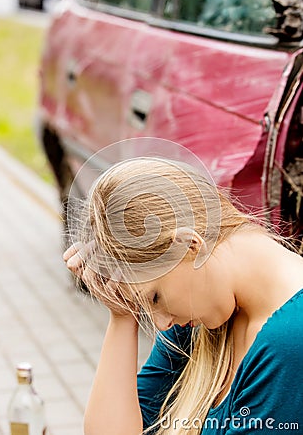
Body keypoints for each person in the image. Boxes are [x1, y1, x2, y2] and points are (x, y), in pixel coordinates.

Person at [63, 157, 303, 435]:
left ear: (189, 245)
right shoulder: (200, 315)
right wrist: (122, 315)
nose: (161, 324)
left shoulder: (290, 339)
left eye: (154, 298)